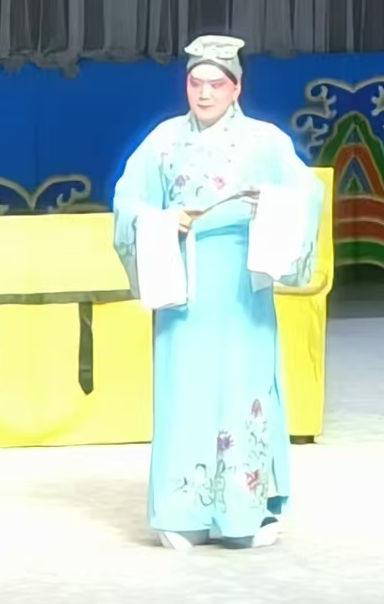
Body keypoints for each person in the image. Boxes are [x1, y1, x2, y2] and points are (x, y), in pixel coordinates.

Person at [111, 34, 324, 552]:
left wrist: (269, 202)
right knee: (185, 391)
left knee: (243, 387)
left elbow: (307, 192)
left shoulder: (264, 141)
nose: (204, 93)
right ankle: (181, 511)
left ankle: (244, 511)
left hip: (241, 281)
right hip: (183, 278)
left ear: (236, 88)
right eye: (195, 83)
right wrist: (164, 220)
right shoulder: (163, 141)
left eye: (216, 84)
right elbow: (128, 199)